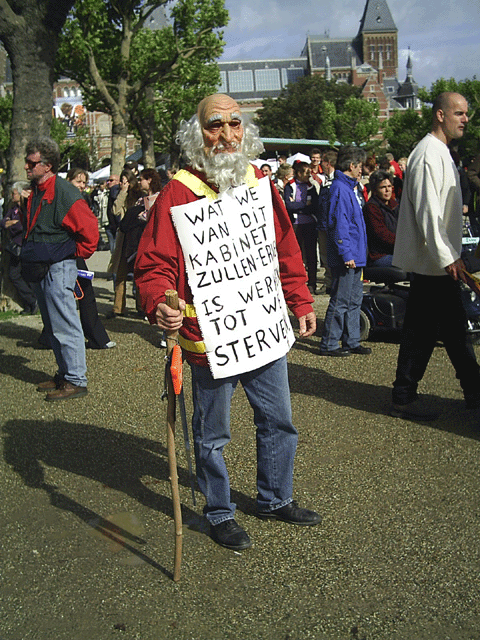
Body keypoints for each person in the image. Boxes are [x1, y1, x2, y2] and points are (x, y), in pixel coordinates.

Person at [135, 93, 321, 551]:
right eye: (215, 125)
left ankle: (275, 499)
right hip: (206, 337)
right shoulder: (177, 191)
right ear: (198, 134)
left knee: (279, 421)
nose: (226, 135)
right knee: (212, 434)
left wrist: (299, 299)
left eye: (234, 124)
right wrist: (159, 300)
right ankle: (219, 512)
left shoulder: (260, 181)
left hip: (263, 328)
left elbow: (284, 247)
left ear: (245, 130)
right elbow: (153, 263)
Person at [390, 92, 480, 421]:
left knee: (443, 332)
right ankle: (407, 396)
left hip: (438, 262)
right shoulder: (429, 153)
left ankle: (469, 390)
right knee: (432, 333)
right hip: (435, 264)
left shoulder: (438, 151)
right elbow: (429, 212)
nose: (465, 119)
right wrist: (447, 257)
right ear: (440, 115)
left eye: (466, 113)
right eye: (459, 113)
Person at [21, 137, 99, 400]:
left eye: (31, 163)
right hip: (45, 266)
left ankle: (76, 379)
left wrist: (72, 255)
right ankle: (66, 375)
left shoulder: (64, 193)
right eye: (27, 162)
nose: (26, 167)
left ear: (48, 165)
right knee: (54, 324)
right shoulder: (38, 190)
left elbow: (90, 231)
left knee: (65, 323)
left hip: (58, 266)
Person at [319, 146, 371, 357]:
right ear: (352, 166)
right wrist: (346, 253)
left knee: (354, 299)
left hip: (355, 254)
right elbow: (340, 224)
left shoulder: (348, 188)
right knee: (341, 300)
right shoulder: (341, 189)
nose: (362, 171)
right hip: (348, 255)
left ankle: (351, 340)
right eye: (360, 166)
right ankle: (330, 343)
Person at [66, 168, 115, 349]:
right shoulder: (68, 199)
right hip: (67, 252)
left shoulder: (78, 199)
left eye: (84, 183)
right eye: (78, 182)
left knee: (83, 292)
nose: (82, 186)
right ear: (69, 180)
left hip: (74, 252)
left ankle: (96, 336)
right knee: (70, 296)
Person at [106, 169, 143, 318]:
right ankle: (118, 308)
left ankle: (141, 307)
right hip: (123, 236)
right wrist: (123, 192)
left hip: (137, 237)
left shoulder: (140, 195)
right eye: (121, 181)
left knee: (139, 273)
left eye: (125, 181)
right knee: (120, 273)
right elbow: (115, 210)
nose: (122, 183)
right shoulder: (120, 194)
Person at [0, 182, 38, 315]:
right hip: (15, 247)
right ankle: (29, 302)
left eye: (14, 193)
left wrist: (13, 224)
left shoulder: (26, 207)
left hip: (25, 246)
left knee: (18, 274)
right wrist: (10, 223)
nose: (11, 196)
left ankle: (32, 301)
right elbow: (3, 222)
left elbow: (23, 225)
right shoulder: (13, 208)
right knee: (15, 275)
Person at [283, 161, 319, 294]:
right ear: (299, 173)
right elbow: (289, 206)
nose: (309, 175)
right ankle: (297, 283)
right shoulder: (290, 186)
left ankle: (312, 282)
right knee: (296, 255)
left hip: (310, 223)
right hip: (295, 224)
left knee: (311, 255)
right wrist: (304, 206)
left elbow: (315, 206)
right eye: (306, 172)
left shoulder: (311, 187)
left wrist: (299, 206)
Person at [363, 169, 399, 267]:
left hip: (398, 250)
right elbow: (382, 234)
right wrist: (403, 242)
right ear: (375, 190)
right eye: (383, 187)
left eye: (389, 186)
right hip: (380, 254)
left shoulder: (395, 205)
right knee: (413, 263)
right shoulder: (371, 208)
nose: (387, 190)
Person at [317, 150, 337, 295]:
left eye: (322, 162)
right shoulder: (324, 180)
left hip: (334, 225)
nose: (320, 165)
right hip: (323, 224)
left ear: (328, 163)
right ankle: (328, 282)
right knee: (325, 256)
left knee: (334, 255)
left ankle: (335, 283)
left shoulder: (337, 180)